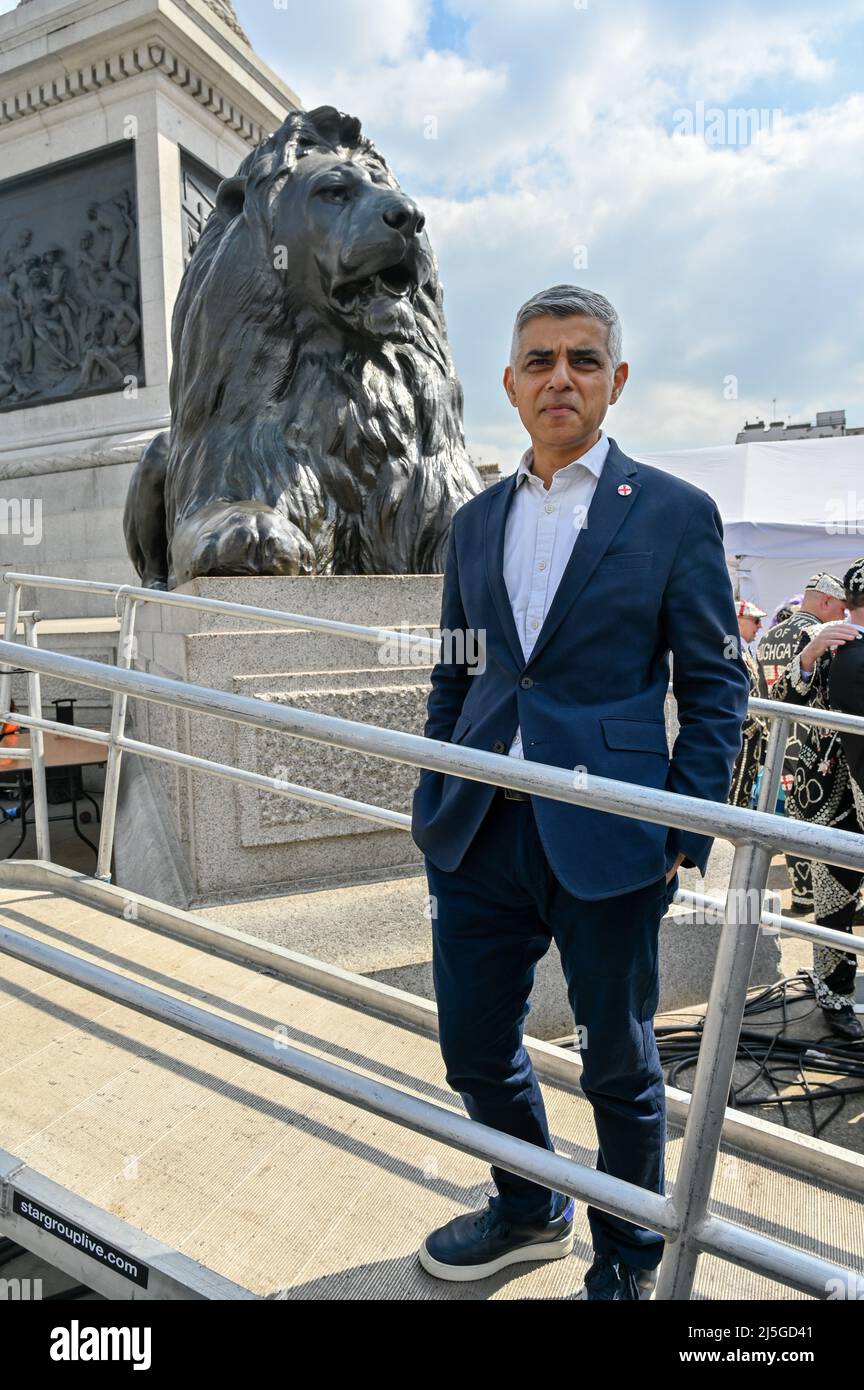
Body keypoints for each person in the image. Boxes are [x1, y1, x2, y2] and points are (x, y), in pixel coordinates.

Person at [411, 284, 750, 1299]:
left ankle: (627, 1255)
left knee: (619, 1064)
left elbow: (716, 681)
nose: (562, 376)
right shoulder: (473, 523)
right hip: (473, 834)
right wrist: (439, 778)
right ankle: (527, 1206)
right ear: (510, 384)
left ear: (616, 380)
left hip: (611, 831)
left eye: (584, 359)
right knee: (472, 1045)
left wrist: (683, 829)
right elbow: (457, 669)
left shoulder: (675, 513)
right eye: (541, 359)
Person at [767, 565, 864, 1041]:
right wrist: (808, 655)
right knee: (833, 900)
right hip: (830, 790)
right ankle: (834, 996)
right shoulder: (830, 642)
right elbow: (780, 697)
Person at [756, 574, 848, 913]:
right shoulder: (816, 635)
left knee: (790, 820)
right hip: (813, 744)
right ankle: (822, 897)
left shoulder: (769, 636)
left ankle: (802, 894)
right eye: (839, 609)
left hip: (779, 741)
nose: (841, 616)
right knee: (821, 824)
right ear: (825, 602)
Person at [729, 599, 768, 808]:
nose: (760, 626)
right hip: (740, 730)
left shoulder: (741, 648)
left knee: (742, 786)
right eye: (755, 620)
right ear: (738, 620)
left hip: (747, 732)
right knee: (735, 786)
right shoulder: (730, 646)